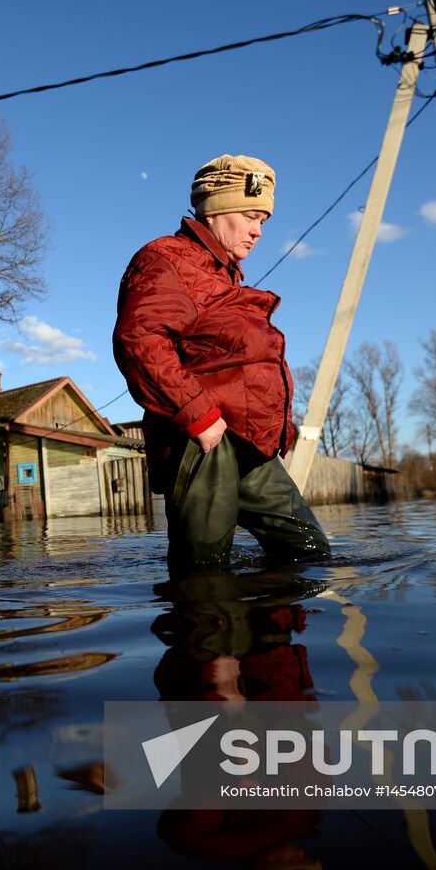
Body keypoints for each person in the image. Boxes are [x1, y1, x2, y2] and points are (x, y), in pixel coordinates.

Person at [113, 154, 330, 567]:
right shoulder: (167, 258)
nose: (258, 230)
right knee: (204, 574)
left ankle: (273, 631)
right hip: (203, 443)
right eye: (251, 216)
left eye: (263, 221)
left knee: (310, 554)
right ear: (216, 210)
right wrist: (199, 417)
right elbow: (139, 339)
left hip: (250, 445)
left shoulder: (222, 275)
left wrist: (278, 426)